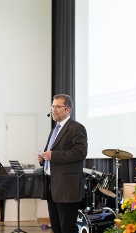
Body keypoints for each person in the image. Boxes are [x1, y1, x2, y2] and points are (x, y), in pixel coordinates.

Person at [36, 94, 88, 233]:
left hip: (67, 187)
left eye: (58, 106)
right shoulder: (54, 130)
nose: (54, 109)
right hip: (51, 184)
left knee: (67, 228)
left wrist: (53, 155)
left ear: (68, 110)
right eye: (53, 106)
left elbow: (80, 153)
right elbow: (52, 154)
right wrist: (44, 159)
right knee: (56, 227)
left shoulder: (76, 128)